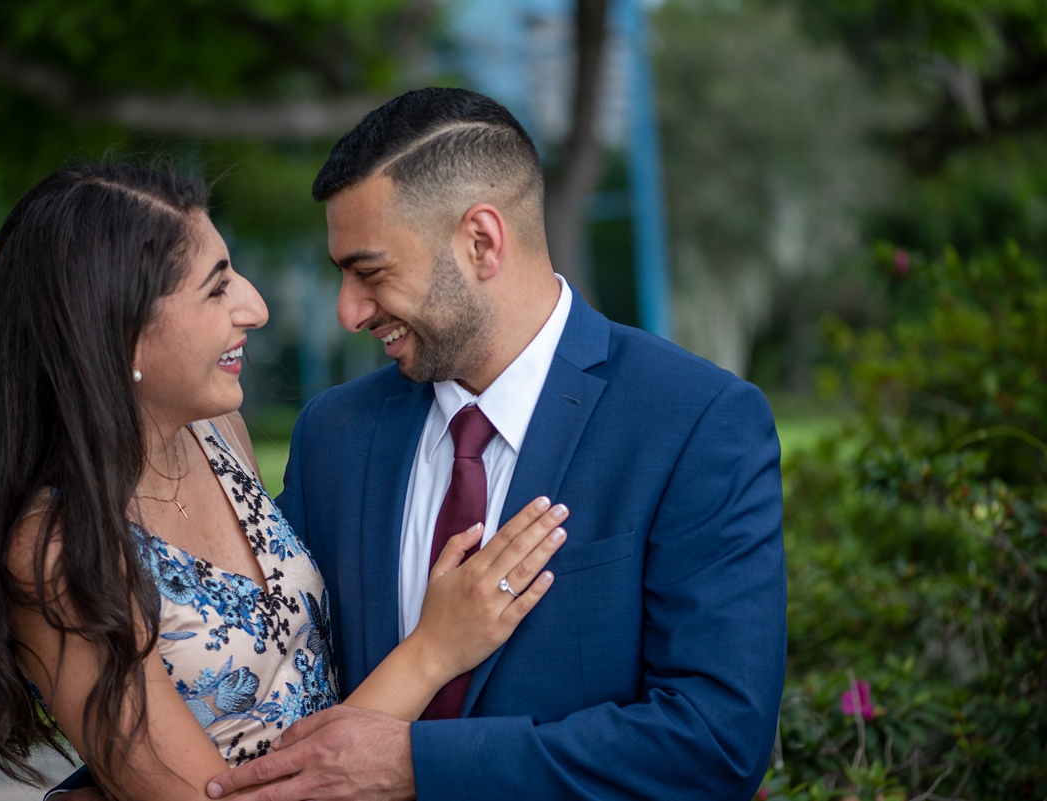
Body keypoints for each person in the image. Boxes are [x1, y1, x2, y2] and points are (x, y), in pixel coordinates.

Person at [203, 87, 787, 800]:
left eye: (371, 272)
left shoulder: (696, 422)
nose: (349, 311)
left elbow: (717, 739)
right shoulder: (334, 434)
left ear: (482, 241)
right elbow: (258, 661)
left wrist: (421, 764)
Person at [0, 162, 570, 801]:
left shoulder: (217, 433)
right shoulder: (53, 552)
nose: (253, 307)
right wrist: (433, 651)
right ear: (117, 334)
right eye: (216, 288)